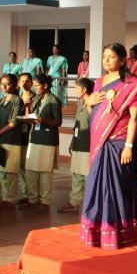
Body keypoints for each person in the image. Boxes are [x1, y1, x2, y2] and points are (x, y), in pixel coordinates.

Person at [80, 44, 137, 249]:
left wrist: (129, 146)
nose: (106, 60)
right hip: (99, 143)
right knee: (96, 187)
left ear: (122, 60)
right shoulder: (99, 83)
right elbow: (95, 115)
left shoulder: (132, 85)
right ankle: (96, 231)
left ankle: (117, 233)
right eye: (104, 56)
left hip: (119, 144)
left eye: (111, 57)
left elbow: (135, 118)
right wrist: (89, 102)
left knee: (115, 189)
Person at [23, 74, 62, 212]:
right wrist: (27, 106)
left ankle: (45, 201)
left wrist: (42, 120)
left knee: (45, 171)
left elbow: (58, 122)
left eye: (37, 85)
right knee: (30, 170)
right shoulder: (37, 98)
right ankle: (32, 199)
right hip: (34, 138)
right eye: (34, 85)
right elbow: (29, 117)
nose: (35, 88)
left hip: (47, 140)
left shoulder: (53, 100)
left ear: (45, 86)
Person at [59, 77, 94, 213]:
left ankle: (91, 203)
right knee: (76, 174)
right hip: (78, 145)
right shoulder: (81, 105)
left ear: (84, 89)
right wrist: (72, 142)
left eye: (77, 88)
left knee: (88, 176)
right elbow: (77, 126)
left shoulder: (93, 105)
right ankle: (74, 202)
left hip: (88, 146)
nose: (75, 91)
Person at [0, 74, 23, 210]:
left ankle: (11, 199)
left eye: (7, 84)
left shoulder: (17, 100)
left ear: (14, 85)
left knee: (11, 173)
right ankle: (5, 198)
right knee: (2, 172)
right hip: (2, 140)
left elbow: (13, 123)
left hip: (12, 140)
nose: (4, 86)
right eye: (2, 84)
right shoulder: (2, 100)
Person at [15, 73, 34, 206]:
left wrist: (28, 106)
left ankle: (30, 194)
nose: (24, 83)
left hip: (30, 135)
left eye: (27, 81)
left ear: (31, 83)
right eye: (22, 81)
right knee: (20, 166)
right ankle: (24, 193)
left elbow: (32, 118)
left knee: (27, 165)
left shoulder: (35, 97)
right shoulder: (16, 97)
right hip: (16, 135)